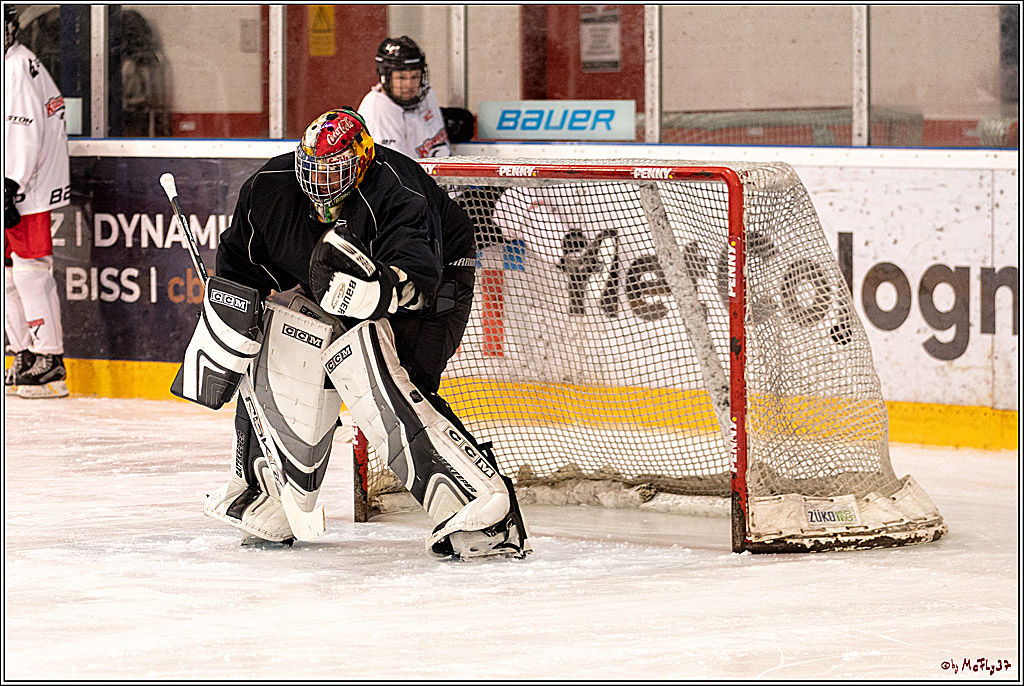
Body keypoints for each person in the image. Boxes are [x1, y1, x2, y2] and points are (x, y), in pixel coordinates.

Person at [174, 108, 530, 560]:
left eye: (334, 170)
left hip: (438, 282)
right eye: (312, 168)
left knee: (388, 379)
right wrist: (229, 327)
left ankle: (484, 512)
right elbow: (239, 271)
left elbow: (419, 282)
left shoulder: (396, 190)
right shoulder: (269, 188)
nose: (320, 181)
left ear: (361, 163)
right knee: (282, 340)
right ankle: (269, 496)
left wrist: (381, 290)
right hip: (329, 285)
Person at [4, 5, 70, 399]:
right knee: (8, 273)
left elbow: (23, 131)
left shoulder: (17, 66)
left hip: (24, 188)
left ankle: (50, 358)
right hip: (17, 183)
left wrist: (10, 183)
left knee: (29, 270)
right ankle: (24, 351)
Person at [357, 36, 451, 159]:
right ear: (385, 77)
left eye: (415, 76)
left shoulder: (425, 94)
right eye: (401, 78)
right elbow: (395, 172)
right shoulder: (378, 112)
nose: (409, 85)